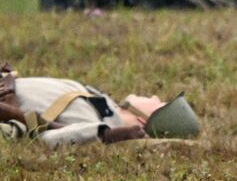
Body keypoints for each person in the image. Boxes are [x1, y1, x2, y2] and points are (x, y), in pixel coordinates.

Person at [0, 64, 199, 147]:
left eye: (160, 104)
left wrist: (14, 110)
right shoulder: (100, 105)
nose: (155, 96)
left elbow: (54, 137)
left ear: (142, 119)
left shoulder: (90, 119)